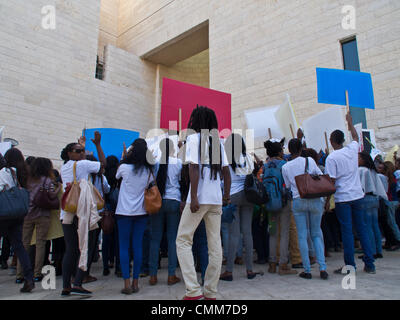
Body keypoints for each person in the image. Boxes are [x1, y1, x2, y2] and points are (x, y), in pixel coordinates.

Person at [176, 106, 231, 300]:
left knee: (183, 240)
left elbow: (194, 168)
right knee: (215, 245)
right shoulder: (217, 141)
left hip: (199, 199)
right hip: (216, 200)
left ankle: (193, 290)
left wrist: (194, 197)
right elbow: (226, 172)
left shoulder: (193, 139)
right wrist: (225, 197)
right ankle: (210, 291)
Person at [325, 112, 376, 274]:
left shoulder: (332, 158)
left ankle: (350, 266)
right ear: (342, 140)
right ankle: (370, 264)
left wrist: (327, 200)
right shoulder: (352, 150)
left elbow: (331, 182)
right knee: (362, 229)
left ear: (332, 142)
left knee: (347, 232)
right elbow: (356, 137)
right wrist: (350, 123)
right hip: (357, 195)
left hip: (343, 198)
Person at [60, 132, 106, 296]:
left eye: (82, 151)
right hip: (81, 212)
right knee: (85, 247)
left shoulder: (64, 167)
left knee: (71, 249)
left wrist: (82, 147)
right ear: (70, 153)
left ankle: (66, 285)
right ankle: (78, 282)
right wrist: (98, 145)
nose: (82, 153)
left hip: (67, 212)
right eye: (78, 151)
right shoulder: (83, 165)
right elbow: (103, 163)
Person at [115, 138, 158, 294]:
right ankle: (135, 283)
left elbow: (116, 177)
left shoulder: (124, 168)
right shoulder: (148, 171)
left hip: (123, 212)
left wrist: (123, 156)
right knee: (137, 246)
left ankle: (126, 283)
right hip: (141, 213)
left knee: (124, 247)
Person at [282, 139, 328, 280]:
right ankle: (322, 267)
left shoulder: (286, 167)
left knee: (302, 234)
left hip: (298, 199)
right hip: (314, 199)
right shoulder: (309, 160)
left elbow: (288, 186)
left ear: (289, 150)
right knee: (316, 233)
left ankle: (307, 269)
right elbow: (318, 176)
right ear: (301, 149)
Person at [220, 133, 259, 281]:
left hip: (234, 196)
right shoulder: (248, 158)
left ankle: (229, 271)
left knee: (233, 234)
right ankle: (250, 270)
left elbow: (224, 179)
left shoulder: (227, 158)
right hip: (248, 196)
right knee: (247, 232)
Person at [16, 157, 61, 283]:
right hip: (42, 214)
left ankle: (20, 274)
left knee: (24, 244)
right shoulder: (47, 180)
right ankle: (37, 273)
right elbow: (51, 195)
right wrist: (58, 188)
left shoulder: (27, 180)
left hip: (27, 214)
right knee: (41, 244)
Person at [0, 148, 34, 292]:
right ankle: (29, 278)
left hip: (3, 213)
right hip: (17, 214)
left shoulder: (2, 173)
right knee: (19, 247)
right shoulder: (14, 172)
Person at [148, 138, 182, 286]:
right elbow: (182, 181)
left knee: (155, 239)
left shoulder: (155, 163)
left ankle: (153, 275)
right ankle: (171, 274)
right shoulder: (178, 163)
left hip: (158, 200)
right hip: (173, 200)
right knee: (172, 238)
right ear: (173, 148)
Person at [262, 139, 297, 276]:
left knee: (273, 233)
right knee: (284, 233)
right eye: (282, 150)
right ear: (278, 152)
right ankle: (283, 264)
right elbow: (288, 184)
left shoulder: (266, 166)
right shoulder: (284, 165)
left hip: (270, 204)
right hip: (283, 202)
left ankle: (272, 264)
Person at [358, 152, 388, 259]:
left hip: (365, 198)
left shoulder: (361, 170)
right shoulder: (373, 171)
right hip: (375, 198)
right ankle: (378, 249)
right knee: (374, 225)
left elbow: (360, 186)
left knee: (367, 226)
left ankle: (371, 251)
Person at [102, 155, 121, 276]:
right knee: (118, 239)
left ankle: (106, 265)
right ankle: (118, 265)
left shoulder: (102, 177)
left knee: (106, 238)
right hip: (118, 209)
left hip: (106, 210)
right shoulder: (119, 176)